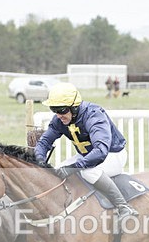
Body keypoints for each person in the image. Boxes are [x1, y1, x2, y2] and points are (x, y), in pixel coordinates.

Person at [34, 82, 138, 220]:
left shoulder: (94, 116)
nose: (58, 115)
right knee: (57, 172)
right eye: (54, 109)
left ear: (74, 108)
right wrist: (39, 158)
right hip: (87, 155)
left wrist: (74, 167)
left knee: (88, 171)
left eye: (62, 110)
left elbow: (100, 151)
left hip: (112, 155)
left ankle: (123, 206)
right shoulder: (59, 120)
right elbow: (45, 142)